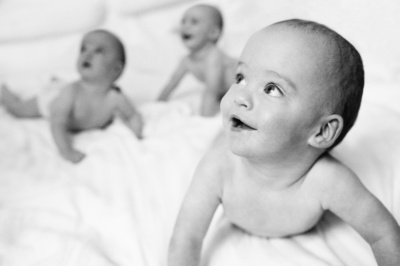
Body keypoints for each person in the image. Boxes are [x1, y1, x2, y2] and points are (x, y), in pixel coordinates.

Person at [168, 19, 400, 266]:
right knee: (216, 137)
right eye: (240, 77)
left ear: (321, 131)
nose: (240, 97)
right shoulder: (219, 167)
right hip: (224, 142)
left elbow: (384, 235)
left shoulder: (328, 182)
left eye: (271, 88)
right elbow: (186, 238)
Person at [1, 29, 143, 164]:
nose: (87, 55)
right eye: (83, 49)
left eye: (98, 51)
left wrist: (137, 134)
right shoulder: (71, 92)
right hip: (53, 99)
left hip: (64, 94)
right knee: (19, 110)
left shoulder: (115, 98)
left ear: (116, 69)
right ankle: (4, 93)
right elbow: (57, 122)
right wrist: (66, 150)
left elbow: (132, 116)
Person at [157, 4, 236, 117]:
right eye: (183, 21)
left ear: (213, 33)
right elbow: (171, 84)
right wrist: (157, 105)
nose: (185, 26)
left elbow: (212, 90)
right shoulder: (186, 61)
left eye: (194, 22)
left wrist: (204, 118)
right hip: (225, 92)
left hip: (244, 82)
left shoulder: (214, 55)